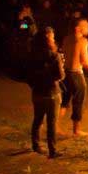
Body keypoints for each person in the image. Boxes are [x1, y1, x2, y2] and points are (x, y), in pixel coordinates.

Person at [27, 27, 65, 158]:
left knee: (37, 119)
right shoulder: (54, 55)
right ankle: (52, 150)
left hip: (37, 92)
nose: (54, 38)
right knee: (51, 123)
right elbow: (60, 75)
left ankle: (35, 145)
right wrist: (61, 66)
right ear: (48, 38)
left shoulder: (31, 55)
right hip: (51, 93)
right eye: (52, 37)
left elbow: (28, 75)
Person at [61, 18, 88, 136]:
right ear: (77, 28)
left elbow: (67, 57)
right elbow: (84, 60)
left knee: (64, 101)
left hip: (65, 73)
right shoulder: (83, 41)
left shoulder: (66, 38)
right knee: (78, 102)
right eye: (85, 25)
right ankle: (76, 130)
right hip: (76, 75)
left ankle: (53, 124)